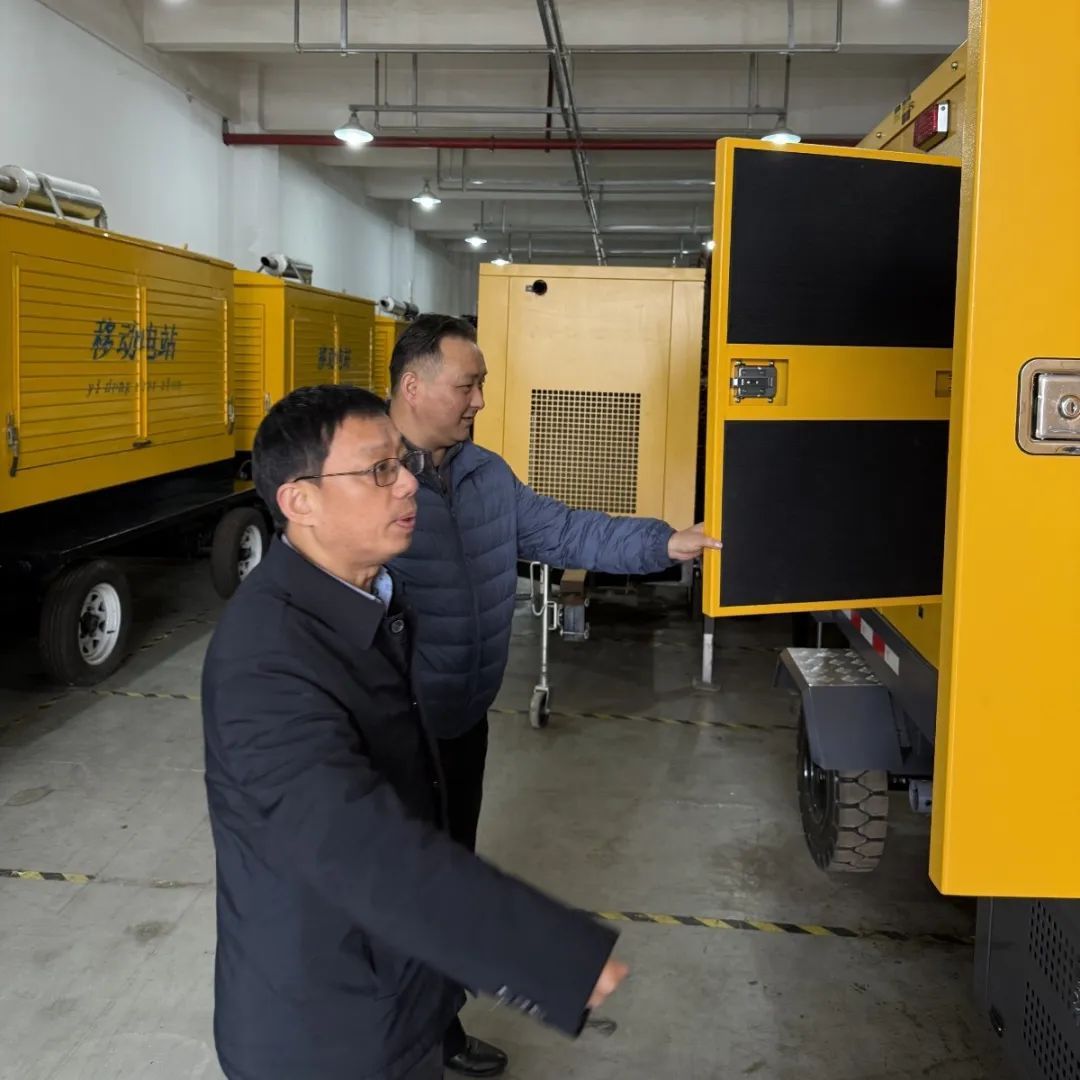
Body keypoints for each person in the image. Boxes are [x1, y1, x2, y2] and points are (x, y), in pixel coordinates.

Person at [202, 385, 628, 1080]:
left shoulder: (366, 597)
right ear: (300, 501)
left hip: (394, 984)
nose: (408, 484)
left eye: (402, 463)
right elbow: (355, 842)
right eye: (379, 470)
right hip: (326, 1030)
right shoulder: (265, 660)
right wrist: (543, 955)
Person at [387, 315, 721, 1077]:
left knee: (447, 879)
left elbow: (565, 533)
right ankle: (400, 1044)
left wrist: (664, 542)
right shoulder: (368, 476)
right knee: (396, 894)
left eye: (481, 385)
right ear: (414, 386)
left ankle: (438, 1027)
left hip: (462, 722)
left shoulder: (485, 475)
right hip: (395, 733)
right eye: (468, 385)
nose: (480, 400)